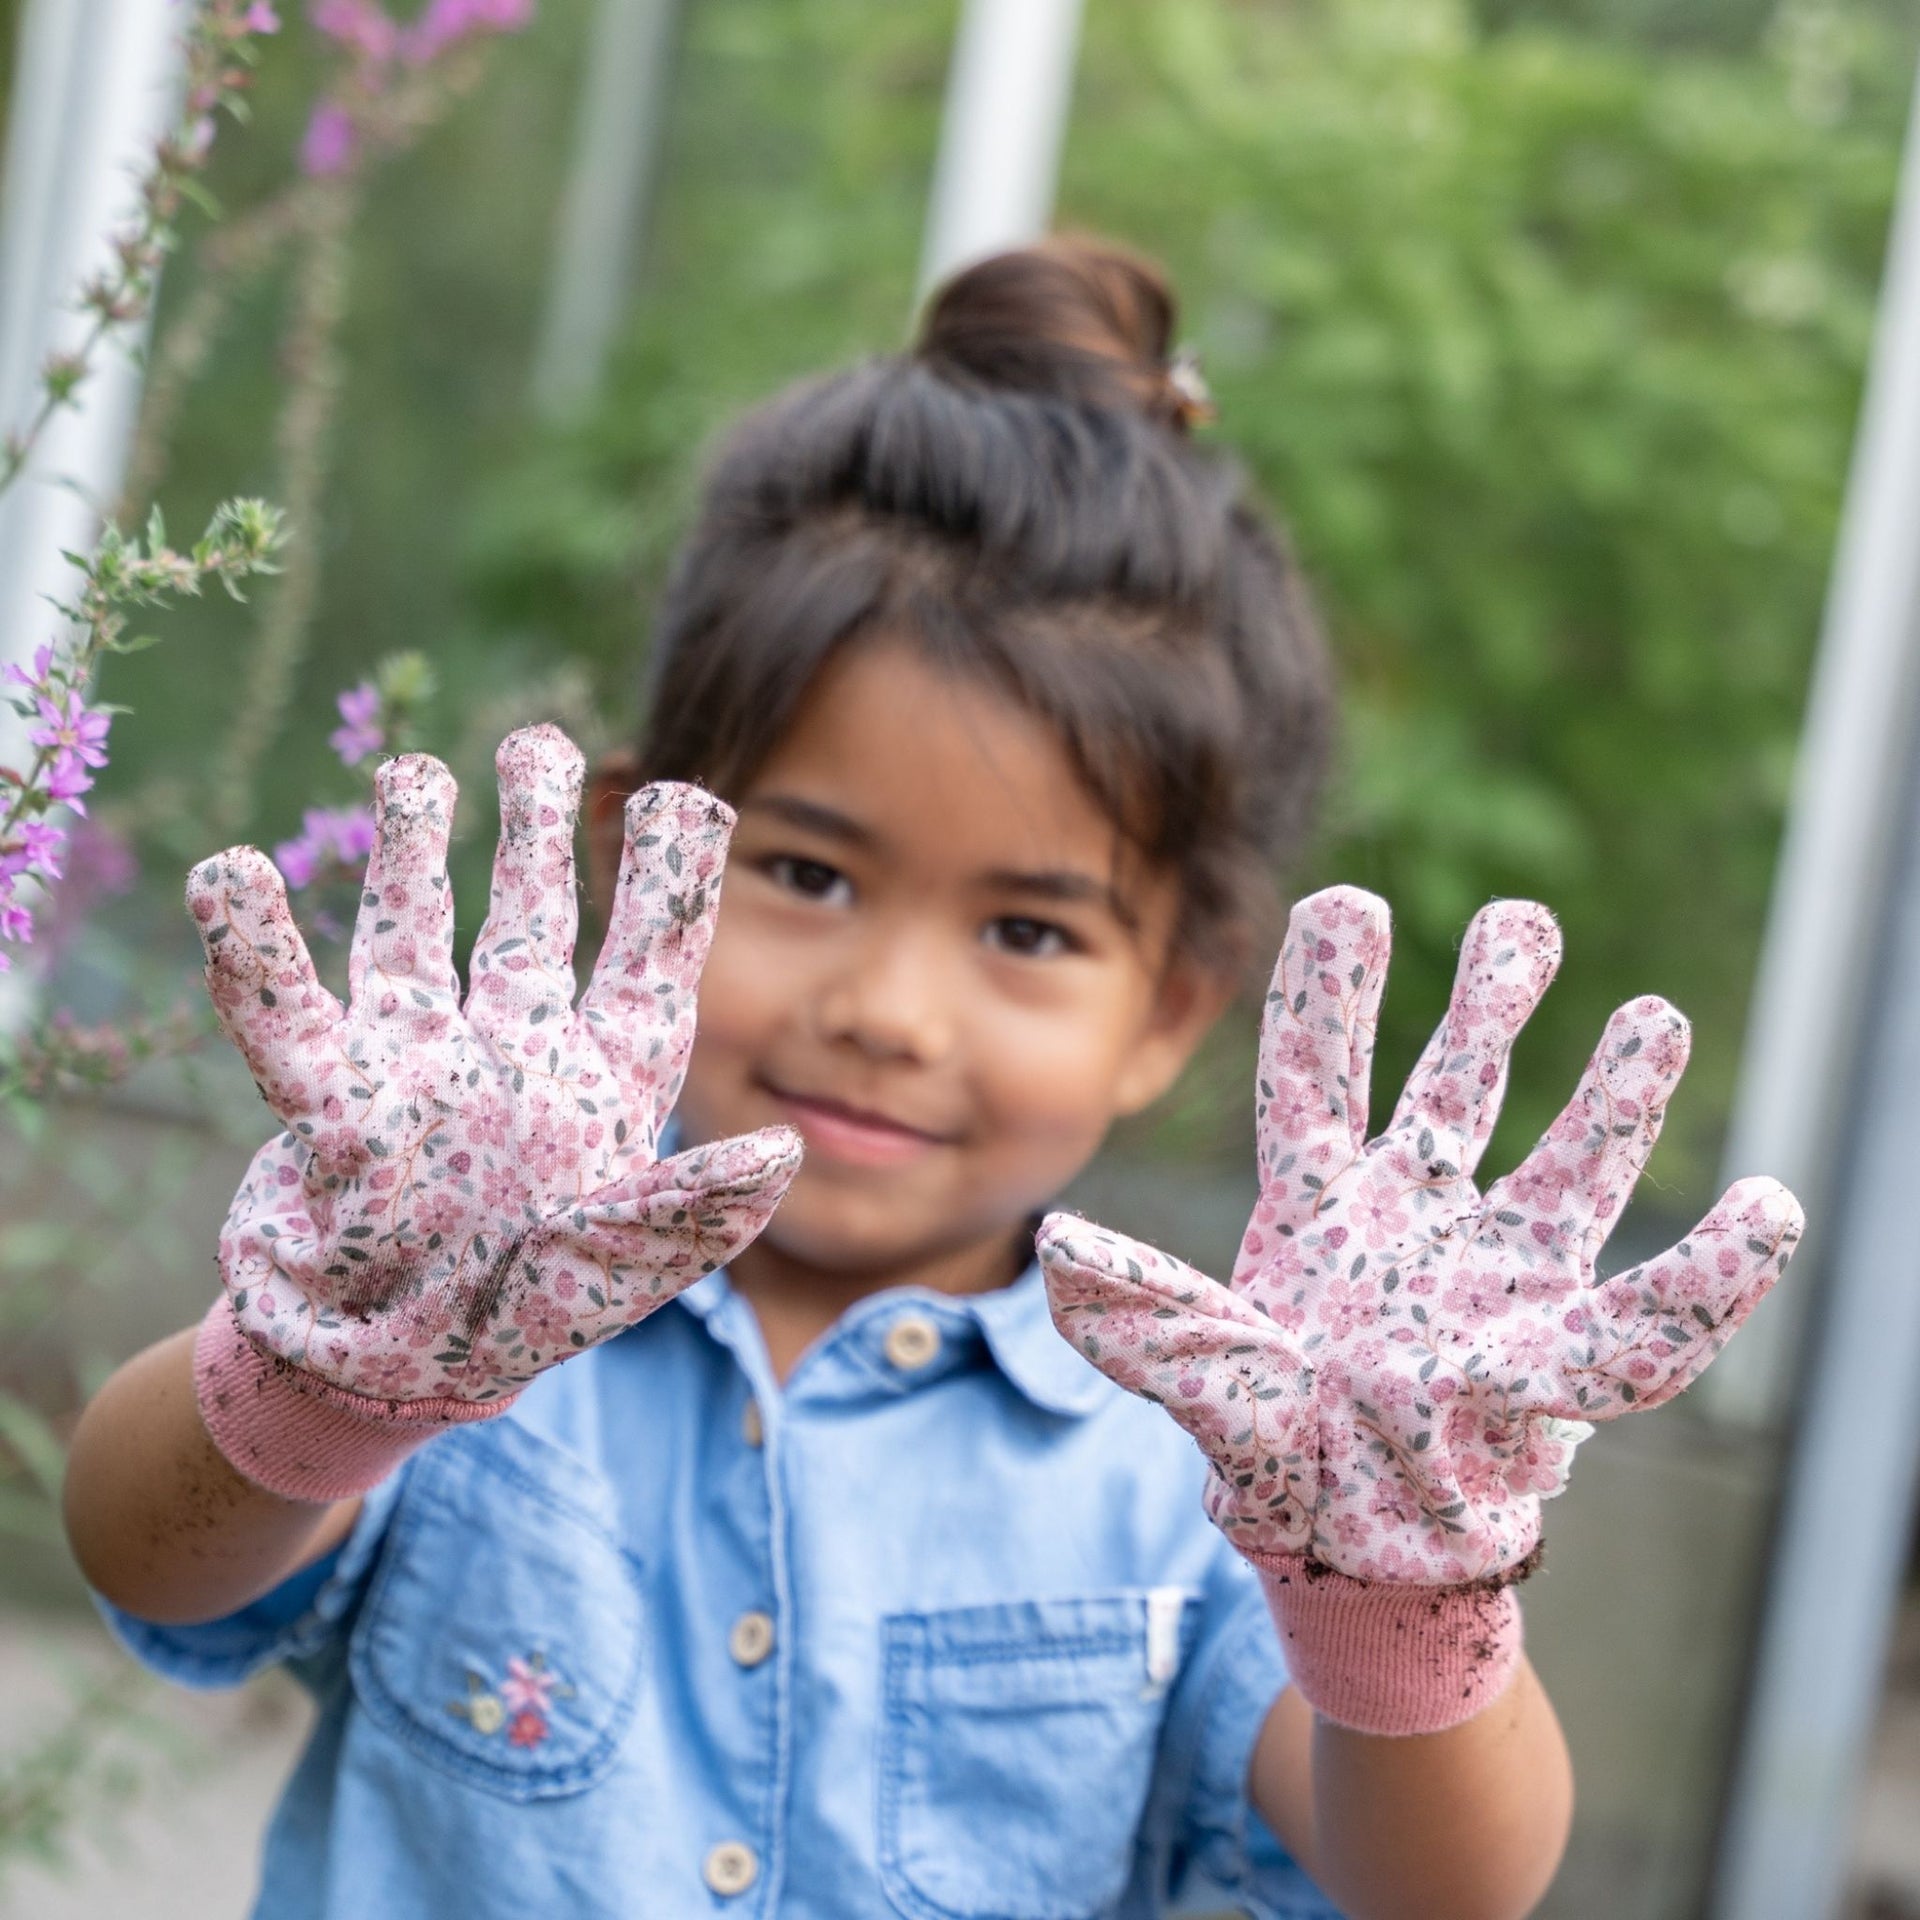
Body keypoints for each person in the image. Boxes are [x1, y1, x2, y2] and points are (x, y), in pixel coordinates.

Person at [61, 236, 1800, 1919]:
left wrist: (1406, 1581)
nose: (892, 1011)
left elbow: (1445, 1890)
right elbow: (143, 1549)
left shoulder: (1218, 1458)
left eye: (1029, 933)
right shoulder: (469, 1297)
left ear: (1172, 1010)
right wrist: (328, 1374)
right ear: (638, 857)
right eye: (809, 876)